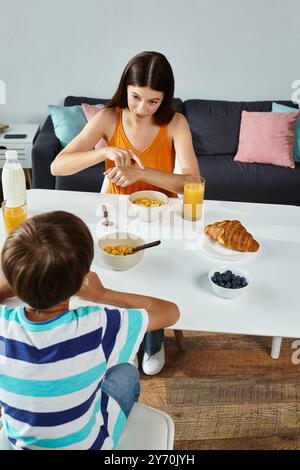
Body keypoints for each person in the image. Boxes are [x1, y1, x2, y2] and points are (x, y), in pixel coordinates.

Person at [51, 51, 200, 375]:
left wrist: (142, 174)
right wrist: (102, 151)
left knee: (156, 276)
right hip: (116, 214)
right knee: (114, 276)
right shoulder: (108, 117)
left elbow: (192, 181)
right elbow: (57, 164)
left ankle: (152, 339)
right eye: (136, 97)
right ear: (125, 89)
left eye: (153, 101)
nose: (142, 109)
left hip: (160, 215)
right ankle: (125, 339)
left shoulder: (176, 123)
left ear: (165, 98)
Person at [0, 211, 179, 450]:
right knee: (126, 371)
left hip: (20, 446)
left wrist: (32, 275)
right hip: (90, 445)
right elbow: (170, 312)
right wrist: (102, 294)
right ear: (81, 280)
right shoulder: (98, 325)